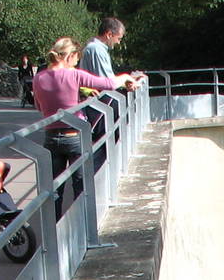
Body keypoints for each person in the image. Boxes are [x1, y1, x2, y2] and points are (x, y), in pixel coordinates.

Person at [32, 37, 143, 217]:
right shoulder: (74, 75)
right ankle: (84, 230)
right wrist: (126, 77)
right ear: (70, 56)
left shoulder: (39, 78)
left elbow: (39, 107)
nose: (77, 63)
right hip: (75, 136)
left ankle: (57, 236)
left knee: (54, 190)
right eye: (77, 59)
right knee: (81, 187)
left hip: (51, 138)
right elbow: (107, 84)